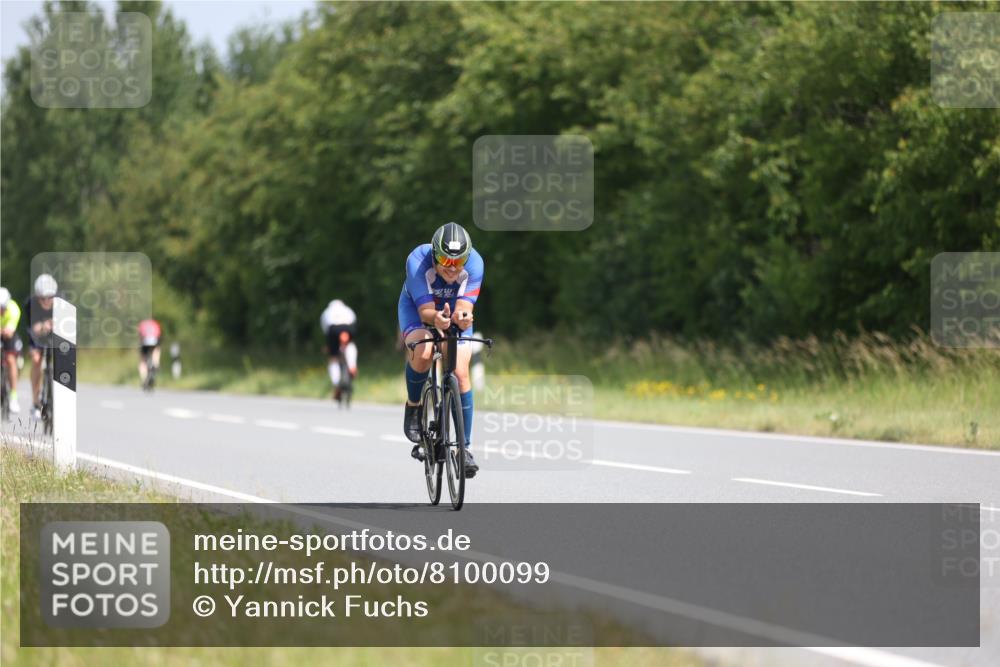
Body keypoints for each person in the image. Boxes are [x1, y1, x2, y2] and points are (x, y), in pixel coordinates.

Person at [398, 222, 483, 478]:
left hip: (451, 313)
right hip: (417, 309)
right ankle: (414, 405)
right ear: (435, 254)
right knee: (423, 352)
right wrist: (437, 318)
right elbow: (425, 312)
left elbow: (464, 306)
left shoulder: (475, 263)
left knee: (460, 370)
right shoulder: (417, 260)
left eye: (459, 261)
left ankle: (463, 449)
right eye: (445, 260)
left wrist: (464, 317)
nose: (452, 268)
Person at [23, 274, 58, 418]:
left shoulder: (61, 300)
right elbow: (34, 328)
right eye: (42, 298)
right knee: (36, 359)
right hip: (37, 335)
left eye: (50, 297)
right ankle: (35, 400)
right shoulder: (30, 303)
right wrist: (45, 325)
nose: (46, 301)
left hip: (55, 332)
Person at [319, 299, 358, 401]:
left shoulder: (327, 312)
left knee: (334, 359)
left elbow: (326, 329)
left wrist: (329, 346)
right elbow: (354, 320)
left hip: (333, 329)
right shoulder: (347, 309)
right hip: (348, 327)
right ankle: (352, 365)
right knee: (350, 345)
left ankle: (336, 384)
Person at [0, 287, 23, 413]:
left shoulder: (14, 309)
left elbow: (9, 332)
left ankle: (13, 397)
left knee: (10, 359)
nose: (1, 311)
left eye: (3, 308)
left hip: (9, 335)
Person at [137, 318, 162, 386]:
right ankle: (155, 364)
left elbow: (140, 335)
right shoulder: (155, 323)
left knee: (142, 361)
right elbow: (159, 334)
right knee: (156, 349)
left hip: (144, 342)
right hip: (155, 340)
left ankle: (144, 379)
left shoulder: (142, 324)